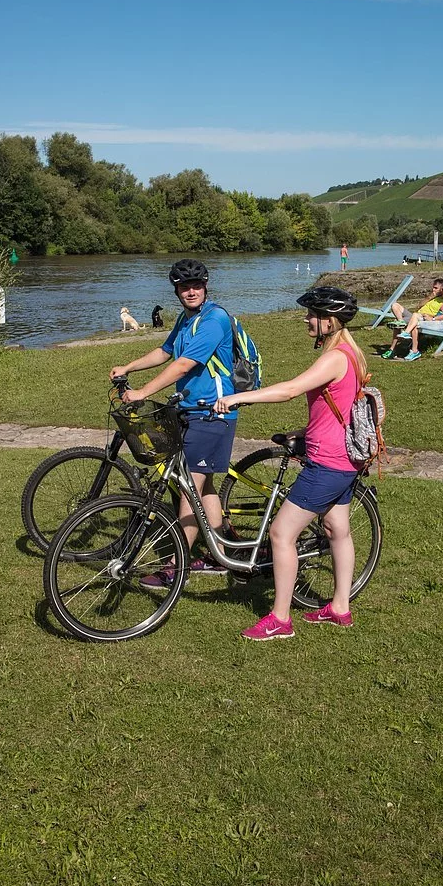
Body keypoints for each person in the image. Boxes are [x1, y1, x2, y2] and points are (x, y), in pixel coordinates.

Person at [214, 286, 367, 640]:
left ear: (330, 321)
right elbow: (339, 409)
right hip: (345, 459)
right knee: (337, 530)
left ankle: (280, 619)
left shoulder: (335, 358)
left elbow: (290, 390)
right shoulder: (352, 353)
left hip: (328, 463)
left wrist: (237, 397)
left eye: (312, 314)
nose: (306, 319)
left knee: (281, 534)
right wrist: (305, 432)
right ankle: (340, 607)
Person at [109, 259, 237, 581]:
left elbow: (182, 365)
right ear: (177, 290)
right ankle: (225, 548)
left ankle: (176, 568)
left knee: (188, 489)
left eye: (196, 285)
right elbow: (165, 352)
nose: (190, 291)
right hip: (192, 411)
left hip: (213, 413)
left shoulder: (214, 319)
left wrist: (142, 393)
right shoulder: (186, 318)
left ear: (206, 287)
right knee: (203, 485)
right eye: (184, 287)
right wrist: (128, 367)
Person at [382, 277, 443, 360]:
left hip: (422, 318)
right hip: (415, 315)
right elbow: (419, 305)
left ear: (442, 289)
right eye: (433, 287)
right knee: (395, 305)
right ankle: (401, 321)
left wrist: (432, 317)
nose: (433, 289)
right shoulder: (432, 297)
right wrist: (430, 297)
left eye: (436, 288)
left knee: (396, 323)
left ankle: (392, 349)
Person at [394, 280, 443, 362]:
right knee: (415, 316)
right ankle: (407, 335)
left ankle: (414, 351)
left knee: (415, 325)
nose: (442, 291)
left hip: (442, 325)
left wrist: (433, 319)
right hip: (438, 322)